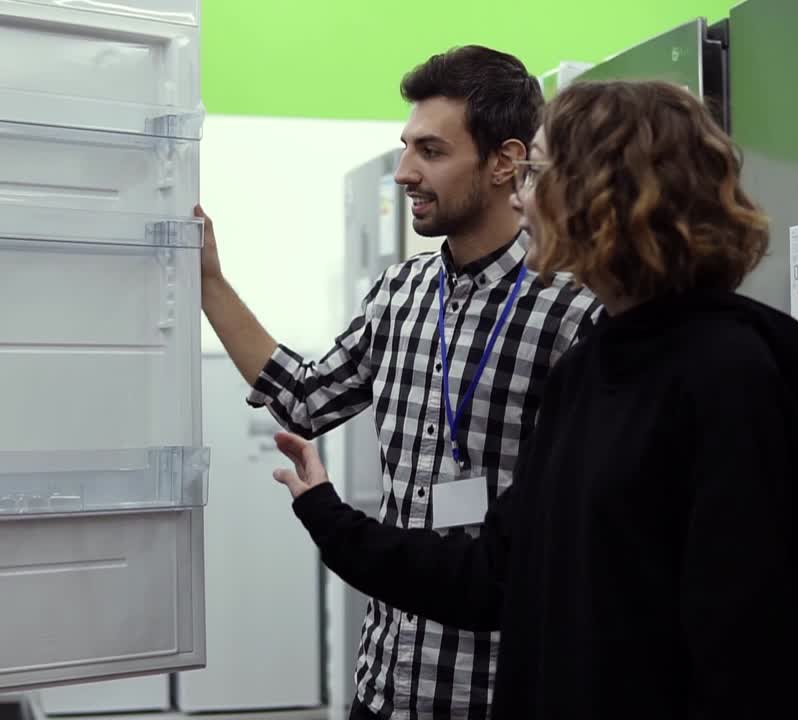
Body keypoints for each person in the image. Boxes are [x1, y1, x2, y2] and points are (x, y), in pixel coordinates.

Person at [271, 80, 798, 720]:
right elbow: (495, 574)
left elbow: (743, 655)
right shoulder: (588, 371)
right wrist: (329, 516)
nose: (518, 197)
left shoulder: (730, 376)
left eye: (534, 173)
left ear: (606, 193)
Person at [196, 45, 599, 720]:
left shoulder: (573, 308)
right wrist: (210, 282)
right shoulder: (400, 292)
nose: (405, 172)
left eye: (431, 152)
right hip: (386, 681)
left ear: (505, 161)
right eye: (406, 147)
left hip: (493, 690)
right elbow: (305, 398)